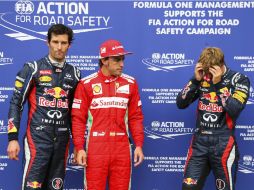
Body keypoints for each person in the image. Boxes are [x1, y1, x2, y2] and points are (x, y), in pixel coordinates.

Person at [7, 24, 80, 190]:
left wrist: (78, 145)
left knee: (56, 187)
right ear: (47, 42)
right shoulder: (33, 69)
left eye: (63, 43)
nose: (59, 47)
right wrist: (12, 138)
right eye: (55, 42)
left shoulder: (75, 74)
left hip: (62, 142)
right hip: (37, 140)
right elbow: (16, 103)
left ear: (69, 44)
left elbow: (76, 114)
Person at [71, 39, 144, 190]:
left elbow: (135, 117)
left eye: (123, 59)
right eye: (117, 59)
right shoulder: (86, 84)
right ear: (104, 60)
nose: (122, 64)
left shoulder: (131, 83)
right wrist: (79, 147)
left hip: (122, 148)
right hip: (95, 149)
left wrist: (138, 145)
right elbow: (78, 119)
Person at [176, 47, 250, 190]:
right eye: (206, 70)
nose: (208, 75)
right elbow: (180, 103)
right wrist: (195, 81)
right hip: (199, 144)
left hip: (223, 143)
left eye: (211, 70)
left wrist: (219, 84)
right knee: (188, 187)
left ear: (221, 65)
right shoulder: (202, 77)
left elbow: (235, 110)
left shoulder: (239, 79)